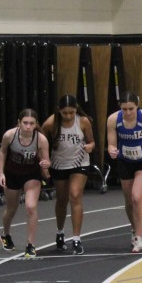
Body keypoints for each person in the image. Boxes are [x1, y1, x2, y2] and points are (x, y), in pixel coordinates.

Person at [106, 91, 142, 253]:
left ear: (137, 106)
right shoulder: (113, 120)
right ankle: (134, 228)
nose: (128, 113)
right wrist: (111, 149)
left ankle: (139, 237)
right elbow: (111, 143)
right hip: (125, 161)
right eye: (124, 109)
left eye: (131, 109)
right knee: (129, 201)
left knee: (137, 196)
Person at [42, 95, 95, 255]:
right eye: (65, 113)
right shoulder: (51, 123)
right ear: (59, 110)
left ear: (76, 109)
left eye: (71, 112)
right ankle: (60, 232)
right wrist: (44, 161)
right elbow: (41, 142)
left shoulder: (83, 122)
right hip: (59, 163)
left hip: (79, 162)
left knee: (75, 195)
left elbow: (92, 142)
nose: (68, 116)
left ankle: (76, 238)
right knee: (62, 199)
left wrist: (90, 147)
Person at [0, 109, 52, 257]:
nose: (28, 126)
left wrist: (46, 165)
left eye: (31, 123)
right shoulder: (10, 135)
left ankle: (31, 244)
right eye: (25, 123)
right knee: (11, 209)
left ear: (36, 124)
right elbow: (3, 152)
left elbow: (47, 161)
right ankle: (5, 234)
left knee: (31, 207)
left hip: (31, 174)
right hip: (12, 173)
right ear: (19, 123)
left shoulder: (41, 139)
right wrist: (1, 173)